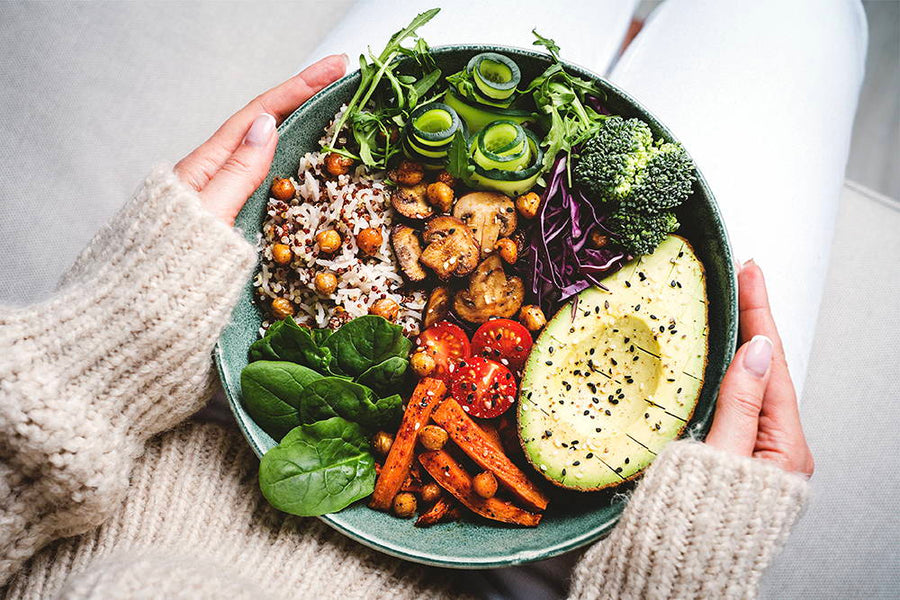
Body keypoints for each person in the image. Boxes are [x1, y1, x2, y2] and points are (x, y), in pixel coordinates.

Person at [0, 0, 865, 597]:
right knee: (804, 19)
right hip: (542, 572)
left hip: (172, 420)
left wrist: (92, 364)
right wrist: (676, 577)